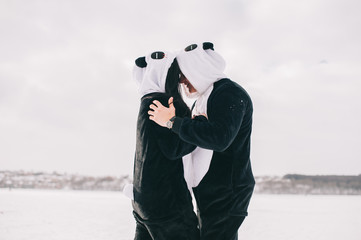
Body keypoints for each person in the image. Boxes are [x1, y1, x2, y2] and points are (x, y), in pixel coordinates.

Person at [148, 42, 255, 240]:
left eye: (184, 74)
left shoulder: (229, 93)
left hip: (227, 191)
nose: (181, 81)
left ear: (197, 69)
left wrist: (172, 122)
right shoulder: (203, 99)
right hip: (210, 191)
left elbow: (220, 138)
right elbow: (193, 137)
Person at [130, 50, 199, 240]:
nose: (179, 81)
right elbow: (174, 148)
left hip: (143, 200)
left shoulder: (146, 101)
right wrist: (194, 127)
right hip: (167, 203)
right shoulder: (162, 102)